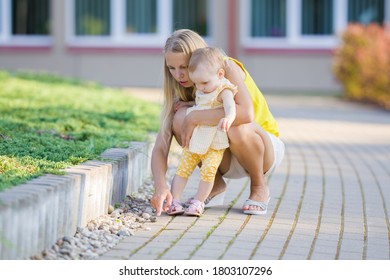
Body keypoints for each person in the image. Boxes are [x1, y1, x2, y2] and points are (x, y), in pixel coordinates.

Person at [150, 29, 285, 216]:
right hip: (224, 154)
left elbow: (246, 114)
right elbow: (160, 147)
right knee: (179, 117)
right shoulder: (181, 88)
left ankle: (259, 186)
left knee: (234, 127)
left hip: (261, 149)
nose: (178, 75)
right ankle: (215, 184)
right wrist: (160, 187)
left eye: (184, 67)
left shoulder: (225, 67)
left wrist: (195, 116)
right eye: (171, 68)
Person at [167, 47, 237, 217]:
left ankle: (199, 201)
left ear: (220, 74)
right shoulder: (202, 88)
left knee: (208, 171)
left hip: (214, 142)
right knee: (183, 168)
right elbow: (202, 105)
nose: (200, 88)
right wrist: (189, 105)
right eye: (196, 83)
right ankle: (175, 201)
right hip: (196, 139)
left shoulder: (224, 90)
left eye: (204, 83)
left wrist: (228, 117)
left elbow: (230, 106)